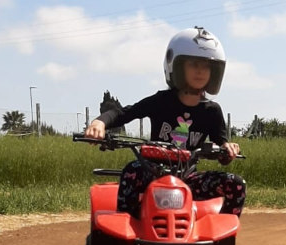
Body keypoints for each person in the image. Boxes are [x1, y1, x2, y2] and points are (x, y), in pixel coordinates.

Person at [84, 27, 245, 219]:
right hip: (151, 173)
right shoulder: (161, 101)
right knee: (131, 171)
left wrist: (228, 149)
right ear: (177, 66)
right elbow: (123, 113)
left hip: (188, 178)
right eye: (194, 64)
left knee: (236, 184)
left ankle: (220, 237)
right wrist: (100, 122)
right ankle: (127, 228)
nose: (200, 71)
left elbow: (222, 147)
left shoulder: (212, 111)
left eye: (206, 66)